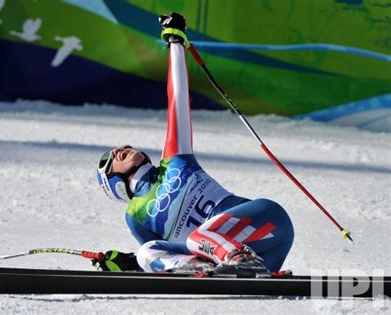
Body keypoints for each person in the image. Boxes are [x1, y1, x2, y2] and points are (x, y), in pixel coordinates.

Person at [95, 13, 294, 276]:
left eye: (121, 148)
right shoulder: (136, 217)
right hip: (238, 258)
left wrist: (175, 44)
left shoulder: (175, 160)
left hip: (267, 224)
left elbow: (177, 97)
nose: (121, 150)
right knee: (147, 252)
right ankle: (202, 268)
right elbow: (162, 253)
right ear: (113, 184)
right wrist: (131, 262)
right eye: (112, 158)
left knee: (197, 237)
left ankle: (237, 258)